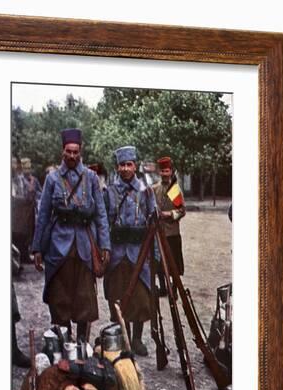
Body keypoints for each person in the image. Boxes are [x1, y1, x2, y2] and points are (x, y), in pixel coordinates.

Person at [31, 128, 111, 343]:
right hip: (58, 247)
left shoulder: (92, 178)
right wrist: (37, 248)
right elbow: (44, 214)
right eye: (69, 151)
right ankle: (65, 346)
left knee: (85, 298)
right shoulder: (52, 179)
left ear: (81, 150)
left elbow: (101, 214)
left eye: (76, 152)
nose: (73, 156)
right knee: (60, 299)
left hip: (85, 247)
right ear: (62, 151)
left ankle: (83, 346)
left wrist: (105, 245)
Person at [103, 146, 157, 356]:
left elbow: (154, 222)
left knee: (140, 297)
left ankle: (136, 338)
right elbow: (104, 221)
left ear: (135, 166)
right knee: (116, 294)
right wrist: (104, 250)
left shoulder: (145, 190)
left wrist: (156, 257)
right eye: (121, 165)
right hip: (117, 253)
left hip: (139, 253)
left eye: (129, 165)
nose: (125, 169)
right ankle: (121, 335)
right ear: (117, 167)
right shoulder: (110, 191)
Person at [152, 156, 186, 296]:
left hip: (172, 232)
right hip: (158, 232)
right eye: (162, 171)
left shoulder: (174, 190)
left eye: (167, 171)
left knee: (174, 263)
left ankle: (175, 288)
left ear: (171, 171)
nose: (164, 174)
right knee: (159, 262)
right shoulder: (155, 188)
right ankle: (163, 287)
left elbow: (182, 211)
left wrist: (168, 214)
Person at [12, 156, 42, 264]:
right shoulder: (21, 179)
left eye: (29, 168)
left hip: (32, 210)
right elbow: (21, 194)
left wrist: (37, 198)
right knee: (22, 233)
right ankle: (22, 256)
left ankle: (28, 254)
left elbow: (40, 193)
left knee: (31, 232)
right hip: (22, 212)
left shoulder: (35, 180)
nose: (27, 170)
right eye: (25, 168)